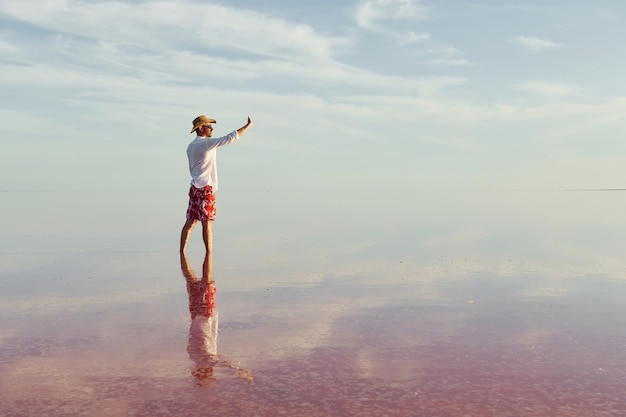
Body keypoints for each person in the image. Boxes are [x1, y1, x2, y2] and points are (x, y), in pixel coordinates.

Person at [179, 115, 253, 271]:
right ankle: (209, 256)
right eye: (208, 126)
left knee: (190, 222)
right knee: (207, 223)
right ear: (200, 128)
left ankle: (182, 253)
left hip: (194, 187)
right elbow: (230, 138)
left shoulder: (190, 146)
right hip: (205, 188)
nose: (211, 128)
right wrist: (248, 126)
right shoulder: (205, 143)